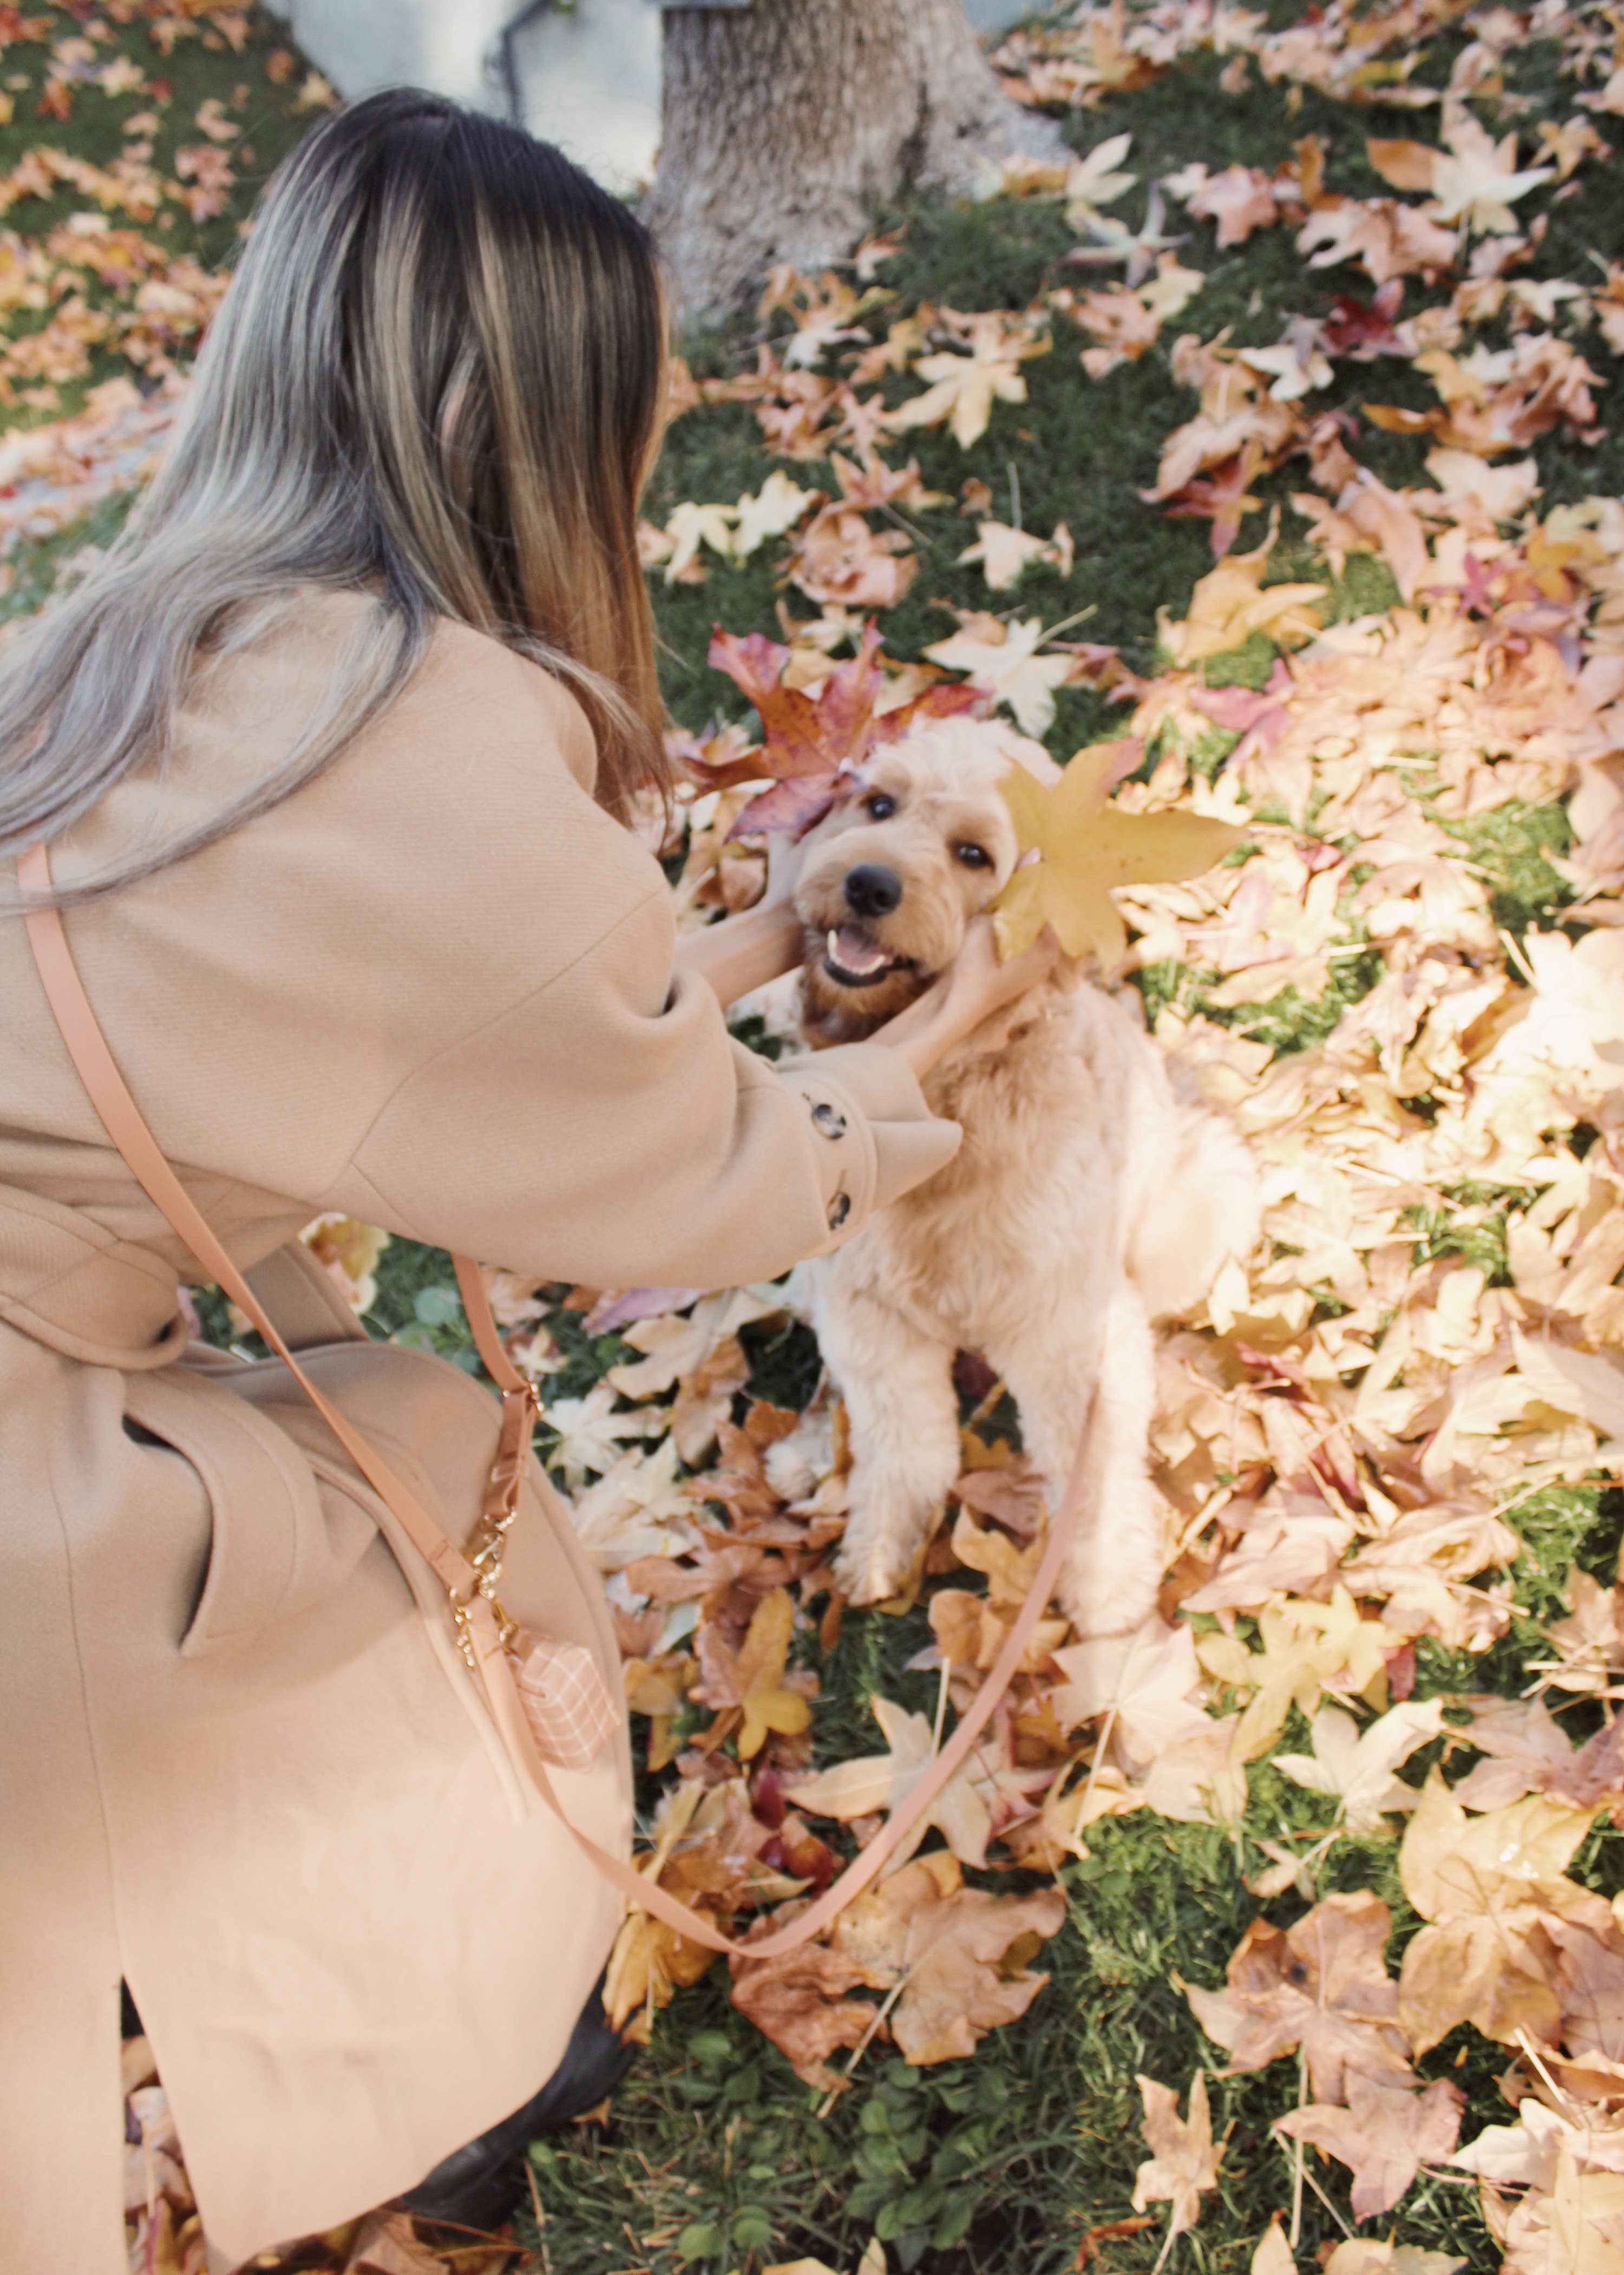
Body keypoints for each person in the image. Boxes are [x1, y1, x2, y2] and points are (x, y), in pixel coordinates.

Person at [0, 89, 1057, 2274]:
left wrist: (730, 954)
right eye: (632, 417)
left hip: (57, 1364)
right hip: (39, 1471)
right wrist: (904, 1077)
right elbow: (686, 1176)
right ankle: (469, 2076)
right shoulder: (423, 730)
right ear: (524, 424)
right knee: (415, 1612)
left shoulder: (127, 640)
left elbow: (424, 1011)